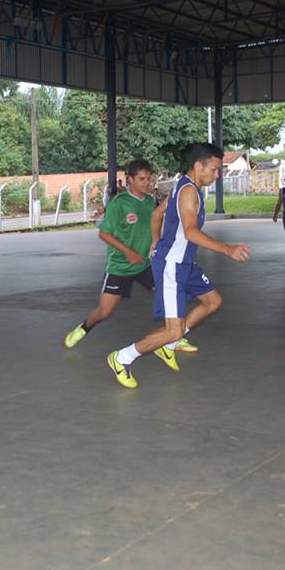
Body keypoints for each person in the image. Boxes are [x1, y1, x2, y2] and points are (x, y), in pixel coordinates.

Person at [107, 143, 249, 389]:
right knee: (174, 330)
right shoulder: (188, 192)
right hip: (173, 265)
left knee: (213, 301)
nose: (217, 176)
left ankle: (170, 345)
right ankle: (122, 357)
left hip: (185, 263)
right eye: (214, 170)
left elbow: (156, 215)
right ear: (198, 166)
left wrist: (155, 242)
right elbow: (191, 232)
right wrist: (227, 249)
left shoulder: (183, 185)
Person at [64, 159, 195, 353]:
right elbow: (104, 234)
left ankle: (174, 337)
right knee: (104, 311)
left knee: (171, 295)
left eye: (149, 179)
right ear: (130, 180)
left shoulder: (151, 201)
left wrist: (156, 243)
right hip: (121, 267)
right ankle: (83, 329)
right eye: (141, 179)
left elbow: (154, 224)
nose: (146, 183)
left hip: (146, 264)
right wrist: (129, 252)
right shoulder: (119, 204)